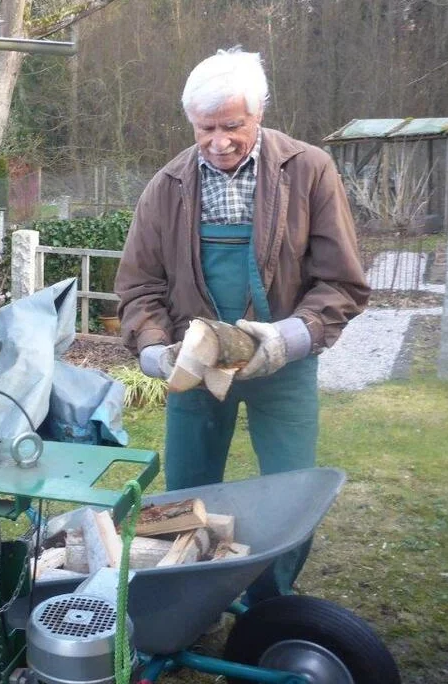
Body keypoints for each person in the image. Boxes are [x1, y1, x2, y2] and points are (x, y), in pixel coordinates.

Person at [113, 48, 369, 603]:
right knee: (187, 491)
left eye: (234, 125)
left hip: (284, 366)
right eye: (206, 128)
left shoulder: (308, 171)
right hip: (195, 368)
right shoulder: (168, 186)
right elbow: (139, 288)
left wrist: (285, 339)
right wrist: (158, 351)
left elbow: (341, 282)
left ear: (259, 113)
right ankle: (190, 601)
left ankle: (268, 609)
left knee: (291, 490)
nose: (219, 141)